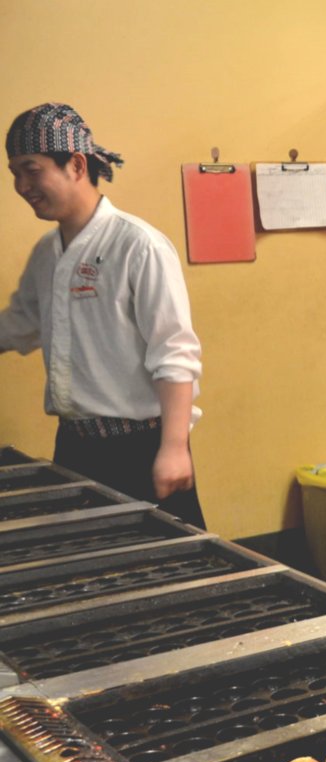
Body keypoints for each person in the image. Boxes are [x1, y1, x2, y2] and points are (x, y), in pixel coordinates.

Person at [0, 102, 205, 528]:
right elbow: (18, 325)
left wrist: (173, 447)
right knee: (86, 570)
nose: (21, 185)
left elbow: (174, 353)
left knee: (166, 570)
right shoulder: (46, 254)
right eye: (13, 172)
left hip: (143, 448)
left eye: (31, 169)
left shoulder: (138, 246)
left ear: (75, 164)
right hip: (74, 446)